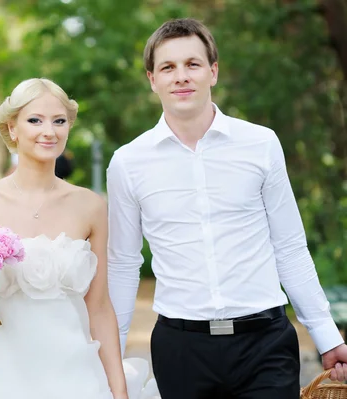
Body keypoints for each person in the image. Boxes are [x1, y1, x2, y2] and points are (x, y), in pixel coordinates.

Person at [106, 17, 347, 398]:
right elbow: (122, 262)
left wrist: (326, 335)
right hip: (181, 350)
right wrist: (113, 352)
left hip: (265, 344)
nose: (181, 76)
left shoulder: (261, 144)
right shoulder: (127, 163)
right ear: (152, 79)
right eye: (168, 67)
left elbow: (289, 247)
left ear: (213, 72)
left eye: (193, 64)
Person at [0, 78, 155, 399]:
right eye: (35, 120)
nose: (49, 130)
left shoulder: (91, 206)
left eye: (59, 121)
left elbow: (98, 308)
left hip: (71, 371)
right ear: (12, 128)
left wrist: (119, 390)